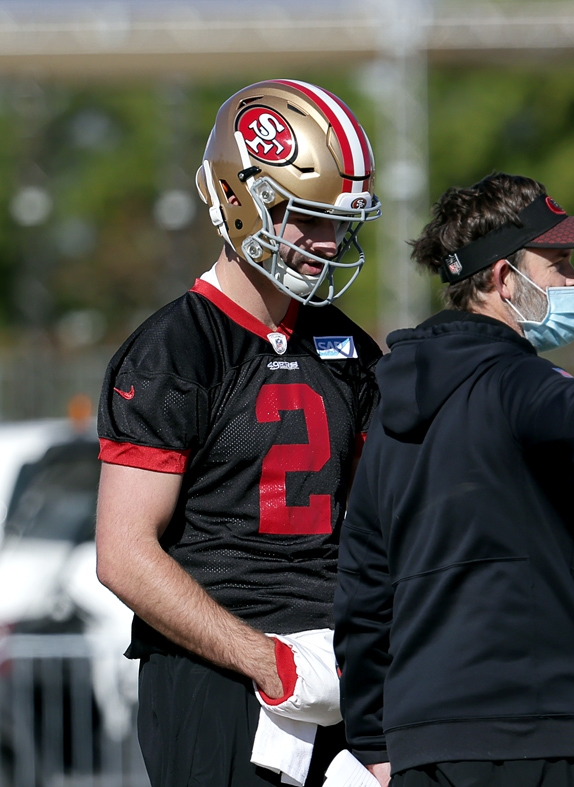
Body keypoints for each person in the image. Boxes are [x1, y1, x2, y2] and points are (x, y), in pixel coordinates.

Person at [334, 173, 574, 787]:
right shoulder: (512, 378)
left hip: (423, 739)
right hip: (533, 729)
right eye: (560, 264)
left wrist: (369, 731)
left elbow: (363, 581)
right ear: (501, 280)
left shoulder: (388, 407)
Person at [94, 80, 383, 787]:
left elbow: (382, 522)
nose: (325, 243)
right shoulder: (175, 350)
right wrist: (267, 660)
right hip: (217, 676)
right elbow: (124, 554)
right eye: (303, 218)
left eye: (336, 222)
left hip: (338, 670)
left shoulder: (348, 349)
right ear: (239, 199)